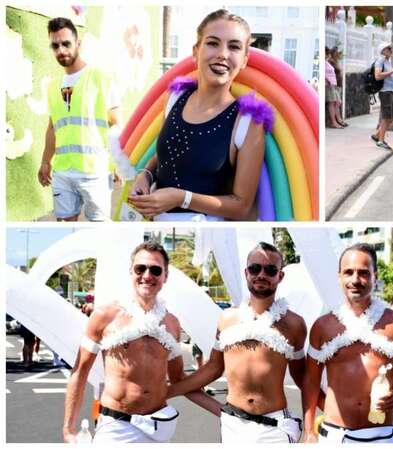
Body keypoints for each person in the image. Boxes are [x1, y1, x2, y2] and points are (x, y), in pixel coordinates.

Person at [62, 242, 218, 442]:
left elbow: (179, 380)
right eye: (140, 268)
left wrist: (224, 412)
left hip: (159, 426)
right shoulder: (105, 315)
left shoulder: (172, 324)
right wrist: (68, 429)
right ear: (131, 271)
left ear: (165, 276)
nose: (147, 275)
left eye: (155, 270)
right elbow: (80, 372)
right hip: (117, 427)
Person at [128, 10, 266, 221]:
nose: (222, 54)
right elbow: (166, 154)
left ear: (244, 60)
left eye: (234, 47)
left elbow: (242, 206)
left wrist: (181, 198)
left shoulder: (247, 122)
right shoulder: (175, 98)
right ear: (196, 51)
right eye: (213, 43)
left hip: (205, 229)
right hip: (156, 225)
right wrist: (145, 175)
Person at [166, 243, 307, 443]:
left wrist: (312, 428)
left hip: (275, 429)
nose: (261, 275)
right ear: (246, 272)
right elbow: (214, 367)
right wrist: (167, 392)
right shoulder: (227, 319)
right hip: (233, 426)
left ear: (280, 276)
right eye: (255, 268)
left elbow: (303, 379)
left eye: (270, 270)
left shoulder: (294, 324)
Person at [303, 244, 393, 443]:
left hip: (381, 436)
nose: (355, 280)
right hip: (334, 436)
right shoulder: (322, 326)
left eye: (363, 273)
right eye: (348, 272)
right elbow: (311, 380)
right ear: (339, 277)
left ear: (375, 275)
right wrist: (309, 431)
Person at [38, 17, 119, 222]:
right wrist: (45, 161)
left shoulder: (101, 78)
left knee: (98, 230)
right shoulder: (52, 86)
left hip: (95, 171)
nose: (61, 50)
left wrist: (118, 162)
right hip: (63, 172)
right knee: (65, 229)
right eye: (55, 46)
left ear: (78, 43)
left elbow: (116, 123)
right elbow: (52, 127)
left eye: (66, 44)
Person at [371, 42, 393, 150]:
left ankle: (377, 135)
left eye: (391, 48)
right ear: (383, 50)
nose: (391, 50)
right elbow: (377, 76)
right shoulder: (380, 61)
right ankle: (380, 141)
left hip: (390, 91)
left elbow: (389, 77)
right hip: (385, 92)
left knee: (392, 116)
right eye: (389, 48)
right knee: (386, 117)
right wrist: (392, 71)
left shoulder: (387, 62)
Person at [325, 47, 344, 129]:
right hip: (331, 85)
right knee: (333, 103)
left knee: (337, 102)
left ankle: (337, 120)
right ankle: (334, 121)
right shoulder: (330, 62)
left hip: (334, 84)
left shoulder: (329, 62)